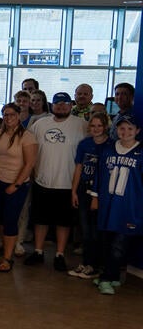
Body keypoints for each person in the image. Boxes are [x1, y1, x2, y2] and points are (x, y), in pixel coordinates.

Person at [25, 92, 87, 271]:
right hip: (42, 180)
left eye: (65, 103)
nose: (61, 106)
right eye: (57, 103)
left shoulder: (81, 125)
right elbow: (30, 149)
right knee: (40, 219)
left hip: (68, 183)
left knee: (63, 222)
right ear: (51, 105)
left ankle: (59, 254)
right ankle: (38, 251)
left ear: (71, 105)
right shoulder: (40, 124)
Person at [91, 115, 143, 295]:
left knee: (119, 245)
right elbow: (99, 175)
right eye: (122, 128)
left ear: (137, 131)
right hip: (108, 205)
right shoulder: (108, 149)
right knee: (106, 242)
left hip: (129, 207)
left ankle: (106, 277)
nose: (125, 132)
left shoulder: (140, 153)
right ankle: (111, 276)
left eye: (130, 129)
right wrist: (95, 197)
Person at [0, 102, 38, 271]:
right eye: (6, 114)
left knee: (10, 220)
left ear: (18, 116)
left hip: (16, 184)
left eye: (12, 115)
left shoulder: (27, 136)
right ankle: (4, 252)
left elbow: (30, 164)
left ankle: (7, 259)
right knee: (1, 219)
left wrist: (15, 185)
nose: (9, 118)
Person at [69, 111, 110, 279]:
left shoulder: (111, 145)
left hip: (101, 192)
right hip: (83, 189)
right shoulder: (84, 144)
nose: (96, 128)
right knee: (85, 230)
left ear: (106, 127)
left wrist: (97, 196)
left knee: (97, 230)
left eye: (100, 126)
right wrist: (74, 191)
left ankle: (94, 265)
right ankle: (86, 262)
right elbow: (79, 167)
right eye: (93, 125)